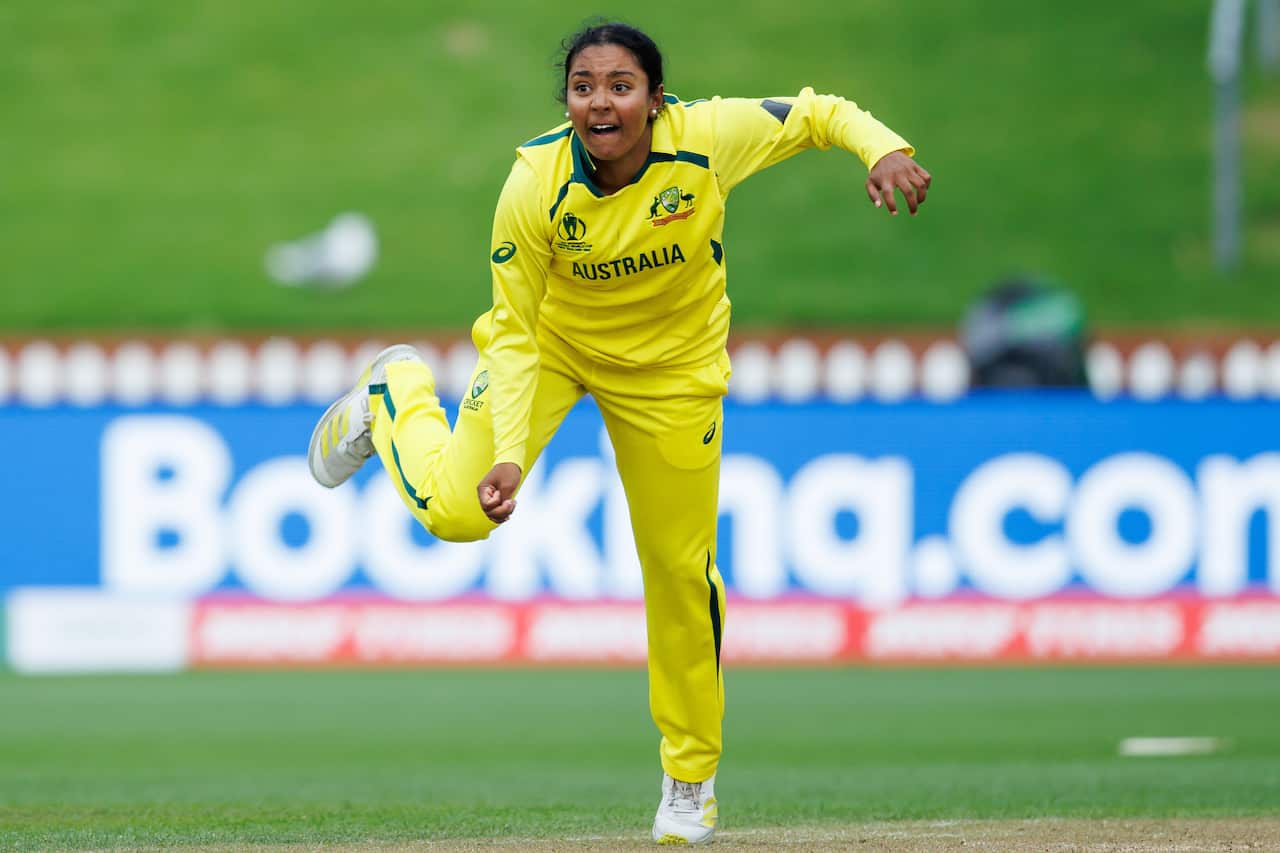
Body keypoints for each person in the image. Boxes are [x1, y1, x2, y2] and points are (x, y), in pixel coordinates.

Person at [308, 20, 930, 846]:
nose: (600, 101)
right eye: (583, 86)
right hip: (555, 349)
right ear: (567, 100)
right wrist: (505, 456)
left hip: (672, 375)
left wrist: (882, 149)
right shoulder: (533, 183)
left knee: (680, 573)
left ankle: (690, 780)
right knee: (457, 512)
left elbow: (821, 111)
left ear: (656, 99)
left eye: (620, 85)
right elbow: (516, 331)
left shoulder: (706, 139)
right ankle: (392, 394)